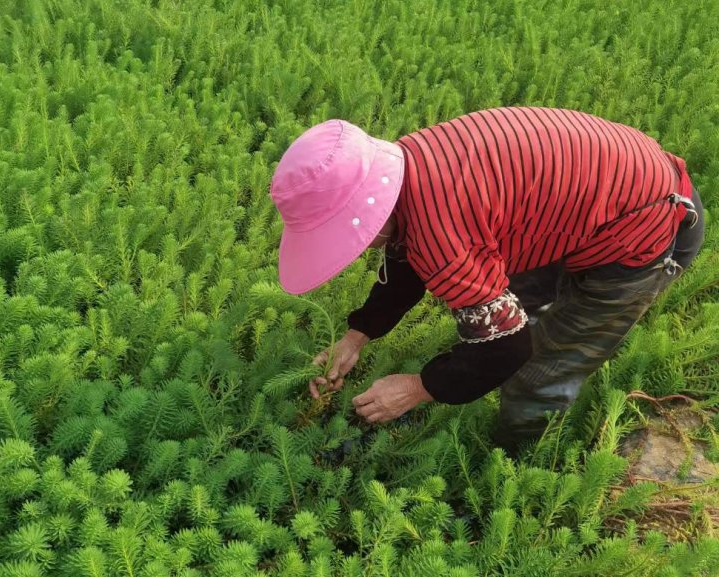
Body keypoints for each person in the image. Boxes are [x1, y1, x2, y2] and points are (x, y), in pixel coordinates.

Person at [268, 107, 705, 453]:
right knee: (509, 314)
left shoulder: (443, 237)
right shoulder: (409, 168)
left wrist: (418, 388)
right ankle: (478, 375)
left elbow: (506, 348)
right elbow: (406, 258)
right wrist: (356, 336)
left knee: (536, 371)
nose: (355, 247)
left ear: (371, 206)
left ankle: (516, 469)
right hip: (594, 195)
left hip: (650, 229)